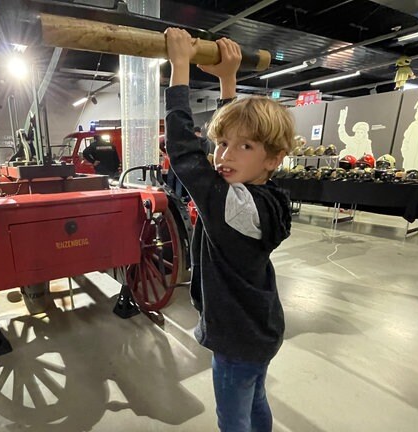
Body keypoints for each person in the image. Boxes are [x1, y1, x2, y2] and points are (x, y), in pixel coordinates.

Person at [164, 28, 293, 432]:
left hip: (236, 338)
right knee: (256, 402)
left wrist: (180, 68)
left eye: (244, 147)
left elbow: (184, 152)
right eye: (221, 144)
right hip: (260, 328)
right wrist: (227, 80)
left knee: (232, 418)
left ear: (273, 159)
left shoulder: (232, 204)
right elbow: (234, 137)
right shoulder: (266, 196)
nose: (224, 155)